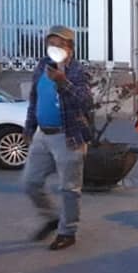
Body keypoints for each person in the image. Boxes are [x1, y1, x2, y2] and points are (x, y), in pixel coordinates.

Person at [23, 26, 93, 251]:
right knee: (30, 183)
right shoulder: (42, 66)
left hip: (68, 136)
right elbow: (35, 100)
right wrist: (29, 128)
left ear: (70, 48)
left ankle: (67, 231)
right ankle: (51, 217)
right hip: (43, 135)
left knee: (69, 189)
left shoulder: (77, 72)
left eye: (60, 44)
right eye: (51, 43)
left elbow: (85, 102)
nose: (54, 48)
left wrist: (63, 82)